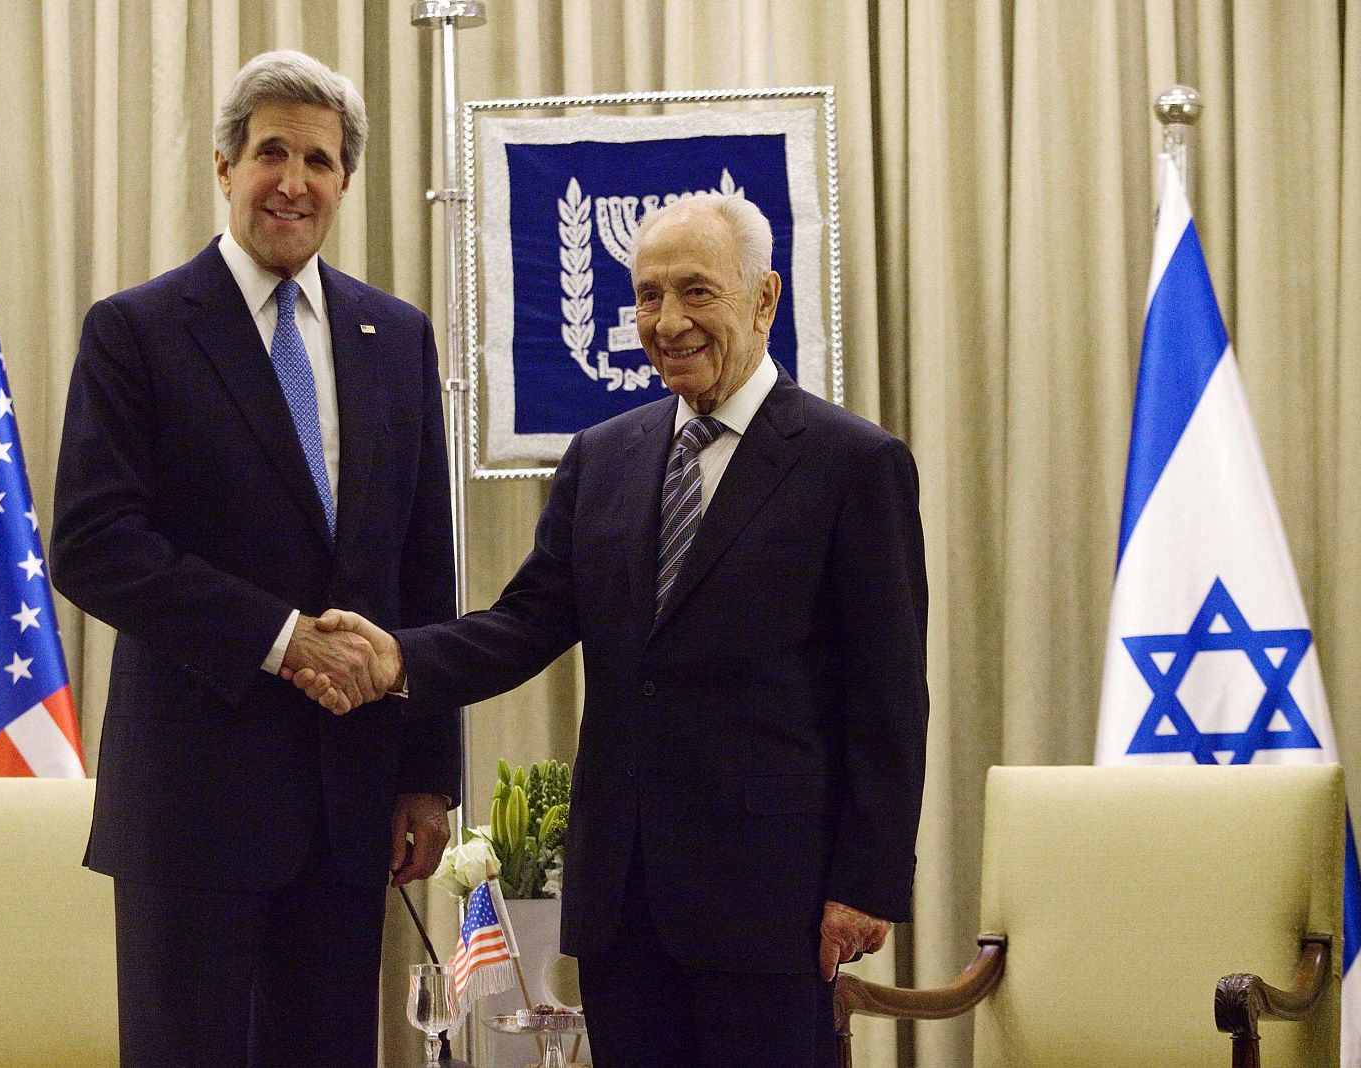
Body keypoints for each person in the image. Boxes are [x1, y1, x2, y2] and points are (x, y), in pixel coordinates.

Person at [295, 193, 929, 1068]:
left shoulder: (854, 464)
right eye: (647, 295)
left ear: (764, 299)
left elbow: (890, 696)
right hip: (622, 901)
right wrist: (400, 655)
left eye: (696, 292)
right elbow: (523, 624)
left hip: (770, 900)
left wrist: (865, 882)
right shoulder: (604, 456)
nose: (666, 322)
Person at [48, 49, 460, 1068]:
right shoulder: (136, 332)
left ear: (344, 184)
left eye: (318, 160)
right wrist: (282, 643)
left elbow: (423, 574)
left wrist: (427, 775)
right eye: (271, 151)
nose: (294, 180)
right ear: (224, 167)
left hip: (347, 807)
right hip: (193, 811)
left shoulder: (395, 338)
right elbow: (95, 547)